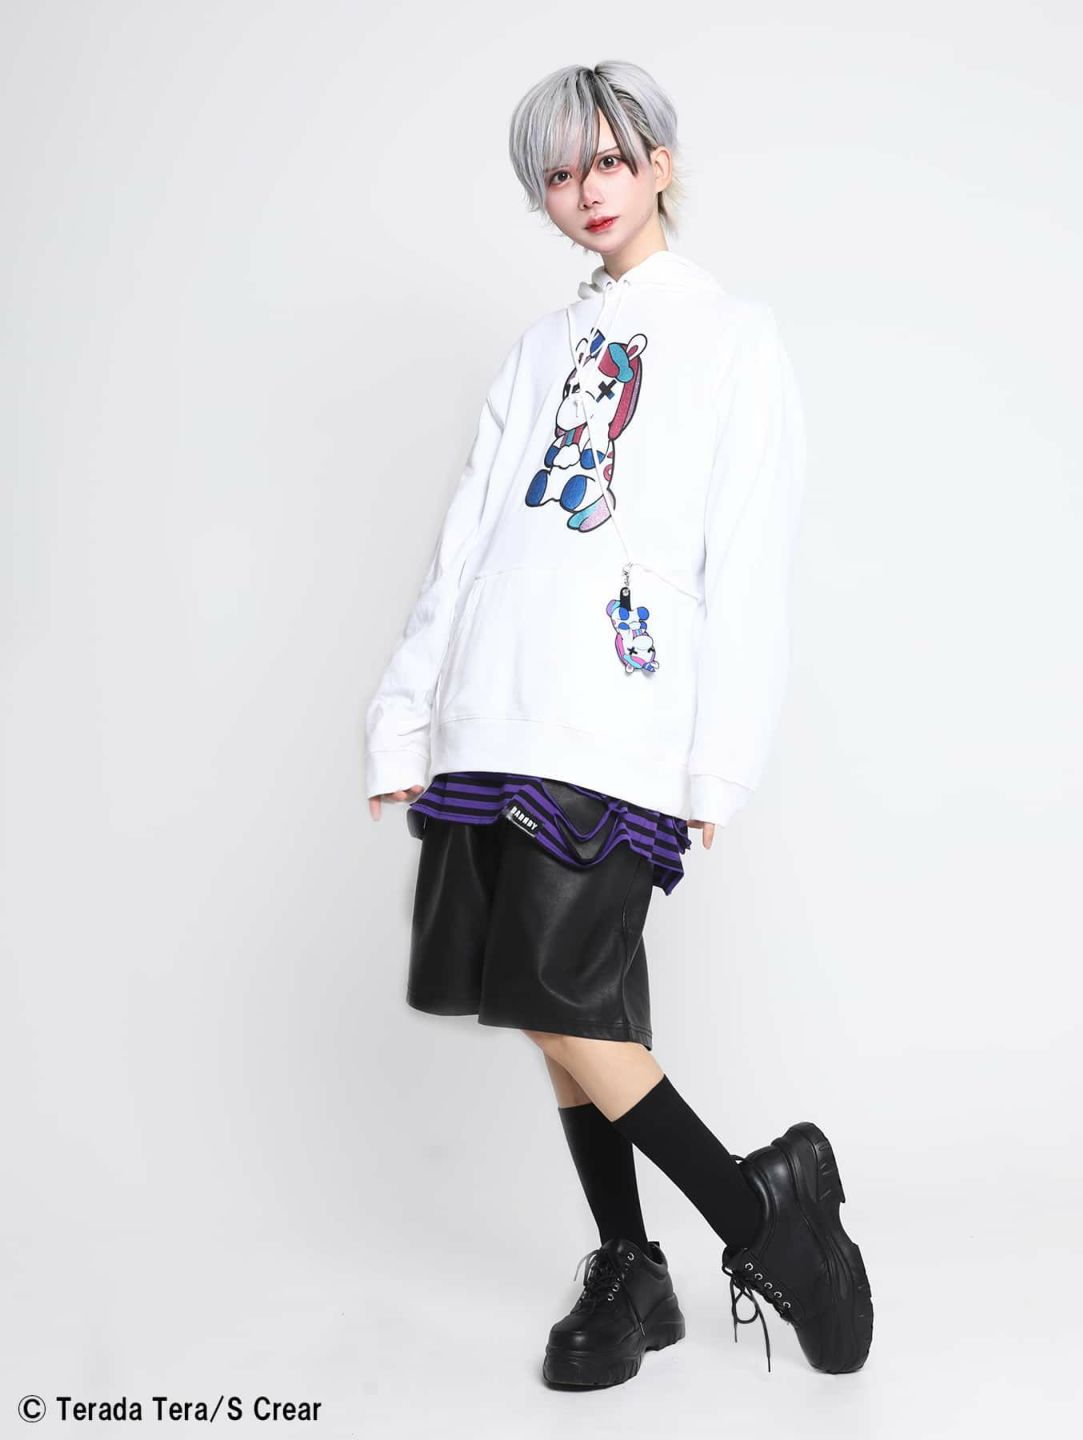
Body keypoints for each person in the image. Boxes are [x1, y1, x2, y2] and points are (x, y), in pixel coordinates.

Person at [364, 59, 873, 1388]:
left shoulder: (732, 337)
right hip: (493, 709)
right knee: (557, 1013)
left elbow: (748, 558)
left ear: (658, 164)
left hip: (613, 708)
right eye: (558, 172)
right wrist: (409, 714)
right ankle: (632, 1266)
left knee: (559, 994)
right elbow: (466, 540)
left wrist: (719, 755)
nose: (586, 190)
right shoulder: (536, 351)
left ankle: (765, 1216)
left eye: (607, 159)